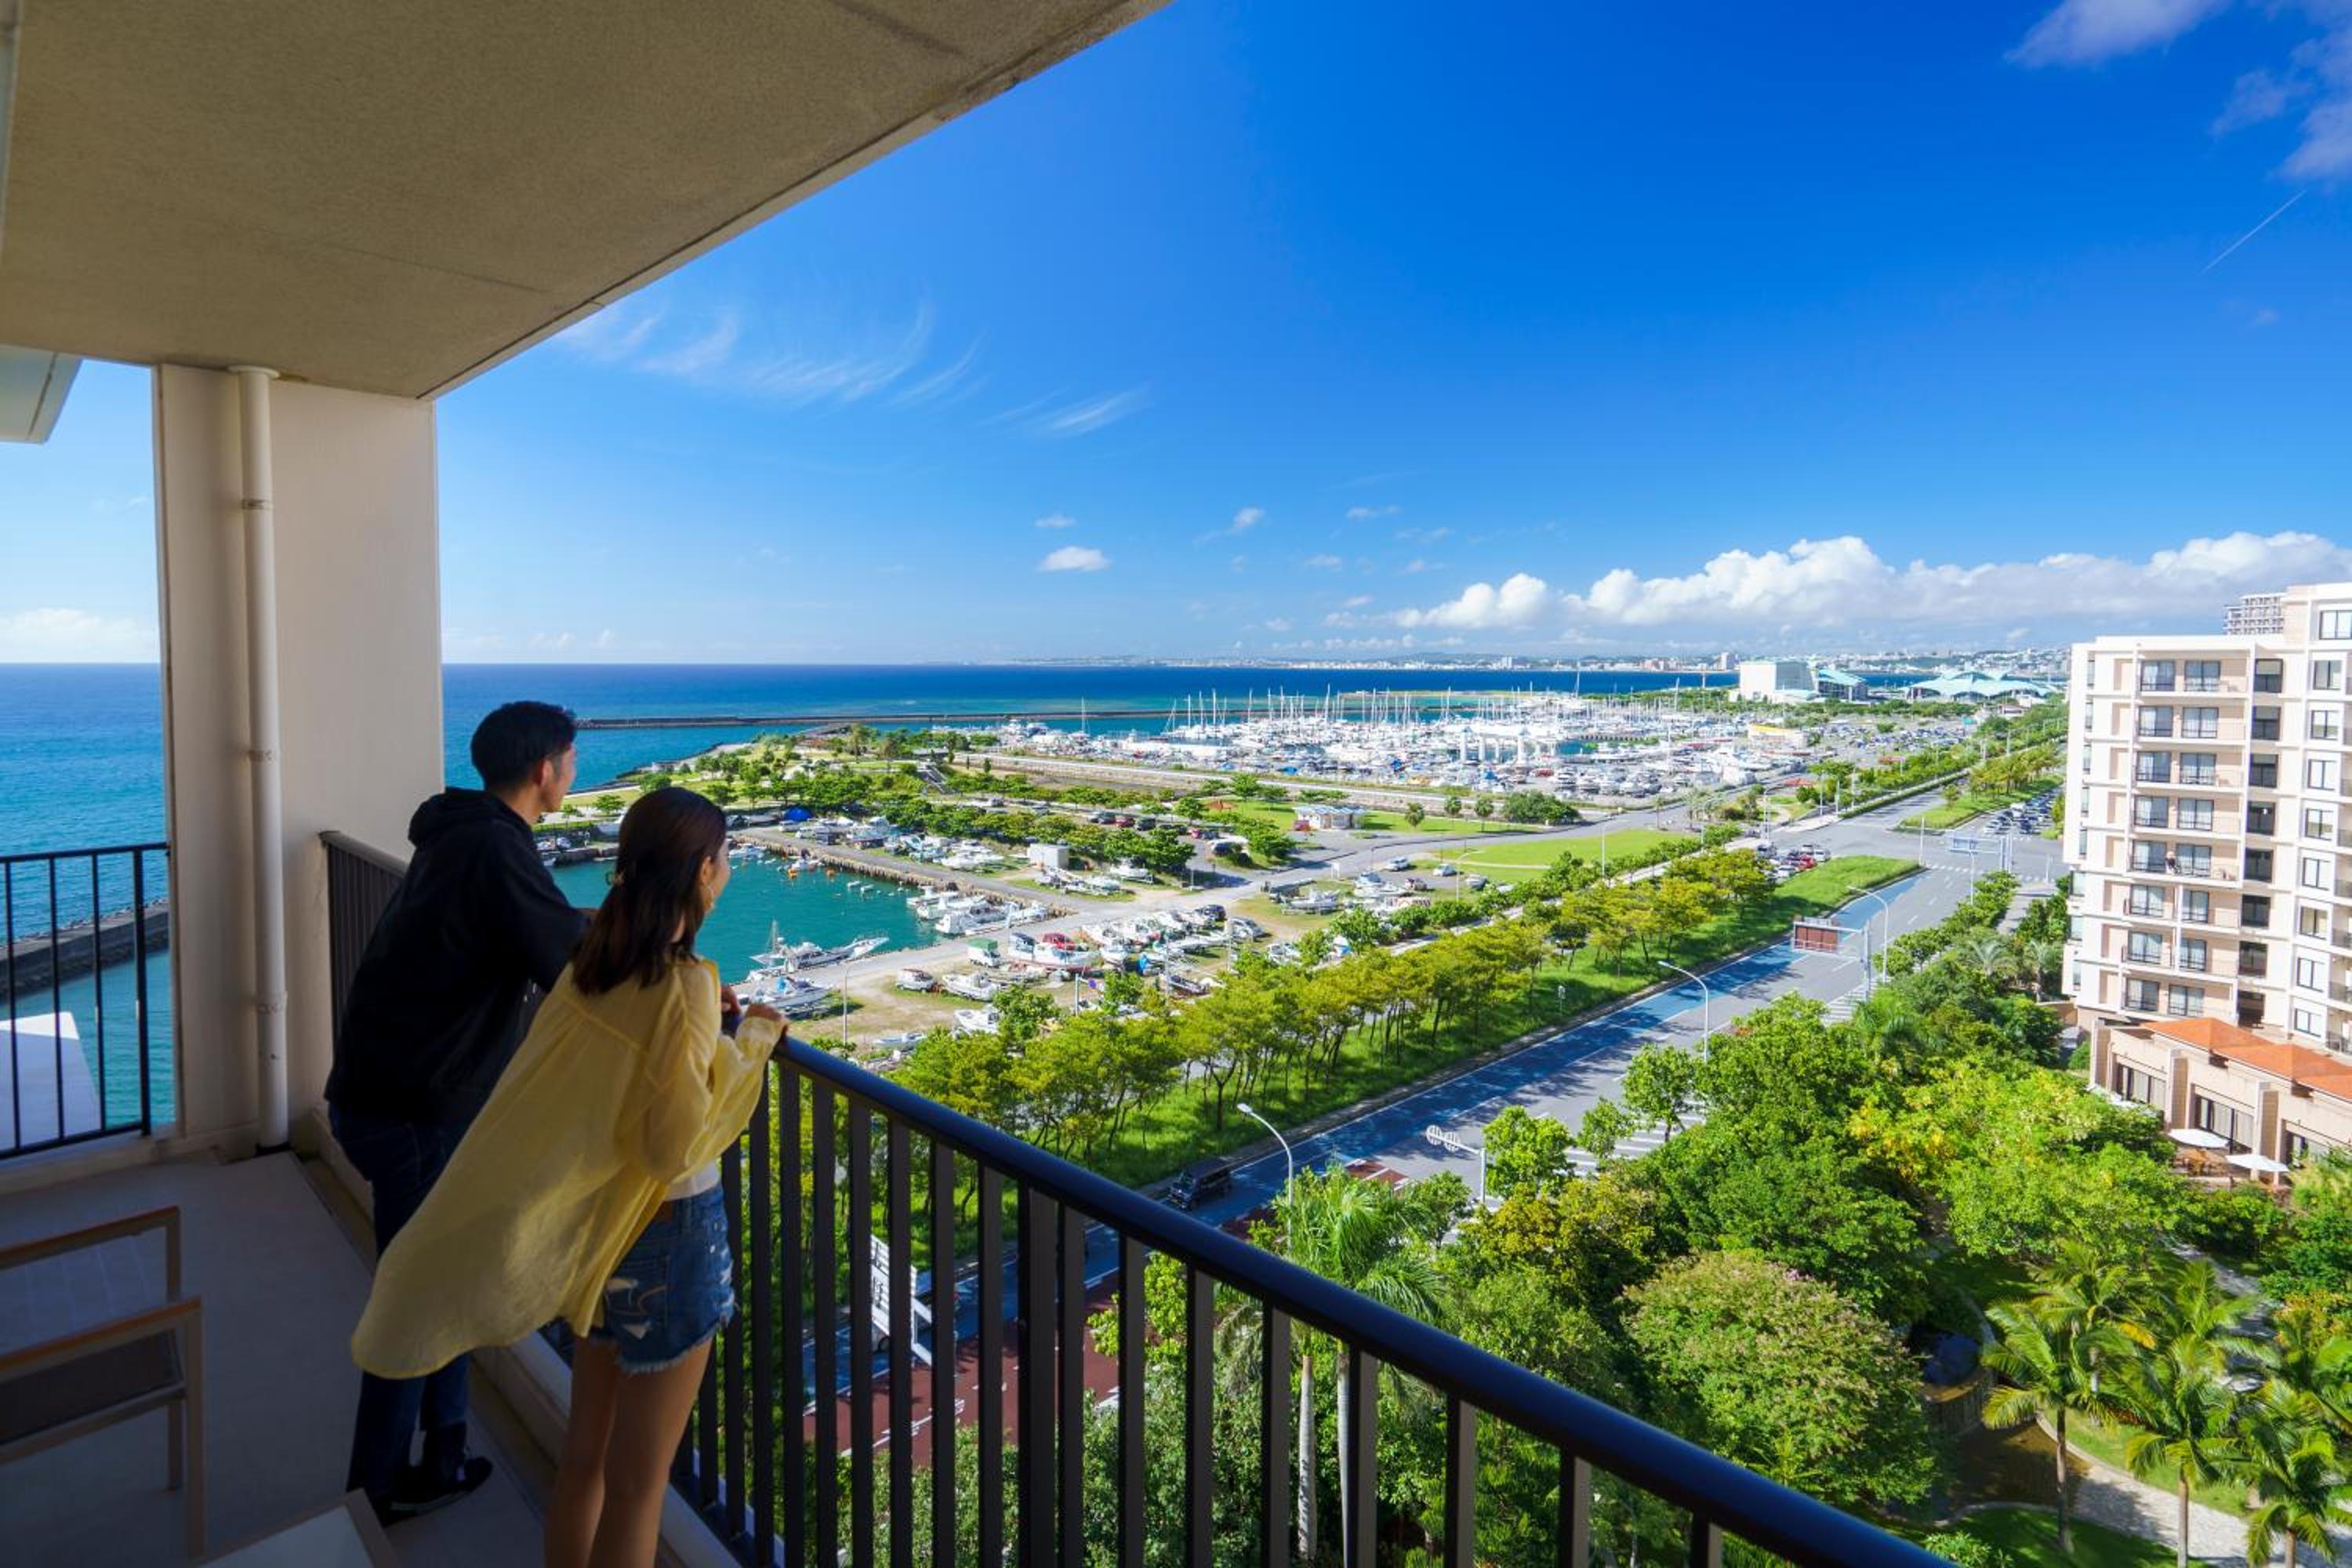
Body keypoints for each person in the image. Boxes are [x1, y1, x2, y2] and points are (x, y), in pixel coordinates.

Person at [349, 787, 784, 1568]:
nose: (726, 872)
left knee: (584, 1462)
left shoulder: (594, 960)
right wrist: (747, 1045)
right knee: (640, 1487)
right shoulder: (684, 983)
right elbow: (673, 1143)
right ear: (701, 873)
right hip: (671, 1233)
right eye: (723, 859)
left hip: (603, 1233)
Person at [326, 700, 589, 1522]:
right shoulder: (494, 848)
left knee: (445, 1280)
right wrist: (686, 983)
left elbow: (549, 933)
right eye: (571, 758)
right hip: (412, 1108)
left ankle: (442, 1451)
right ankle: (373, 1495)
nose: (573, 771)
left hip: (389, 1095)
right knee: (415, 1299)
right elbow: (575, 961)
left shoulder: (464, 835)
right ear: (545, 768)